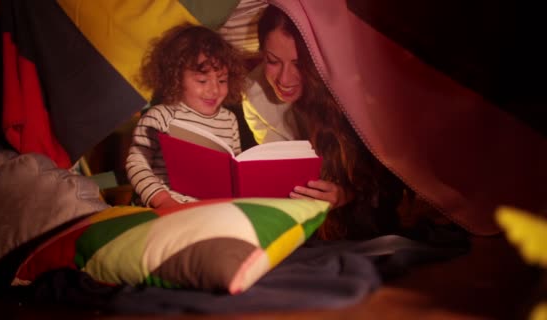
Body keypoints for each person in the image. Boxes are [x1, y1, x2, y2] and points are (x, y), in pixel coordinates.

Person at [243, 5, 407, 240]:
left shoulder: (347, 86)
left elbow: (384, 176)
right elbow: (280, 165)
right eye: (272, 61)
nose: (284, 79)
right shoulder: (254, 93)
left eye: (299, 64)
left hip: (364, 200)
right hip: (304, 206)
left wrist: (345, 194)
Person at [126, 23, 247, 209]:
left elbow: (235, 169)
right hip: (166, 207)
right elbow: (137, 163)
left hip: (212, 209)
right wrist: (163, 201)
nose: (214, 89)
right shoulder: (160, 116)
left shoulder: (229, 119)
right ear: (175, 77)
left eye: (222, 80)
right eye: (202, 80)